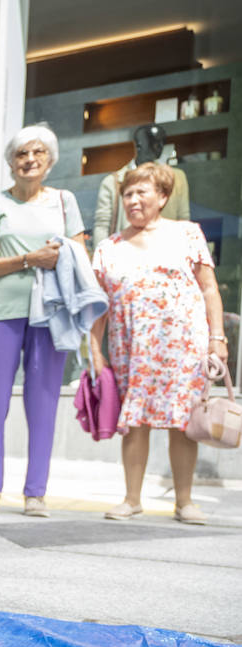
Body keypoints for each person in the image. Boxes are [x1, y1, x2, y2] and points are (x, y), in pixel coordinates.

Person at [90, 162, 228, 525]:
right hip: (132, 348)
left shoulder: (187, 233)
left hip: (183, 347)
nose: (133, 201)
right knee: (135, 422)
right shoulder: (108, 247)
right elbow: (98, 306)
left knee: (184, 422)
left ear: (163, 197)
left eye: (141, 193)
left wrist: (218, 338)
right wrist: (94, 349)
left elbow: (209, 287)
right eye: (128, 194)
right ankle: (131, 499)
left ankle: (185, 502)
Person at [0, 124, 85, 517]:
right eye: (21, 154)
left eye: (38, 153)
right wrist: (28, 259)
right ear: (11, 162)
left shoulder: (65, 202)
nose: (29, 160)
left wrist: (61, 253)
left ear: (49, 161)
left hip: (49, 315)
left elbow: (79, 257)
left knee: (44, 403)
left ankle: (36, 493)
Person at [92, 124, 189, 254]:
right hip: (125, 254)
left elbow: (183, 219)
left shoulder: (176, 178)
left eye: (162, 143)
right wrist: (101, 258)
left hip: (166, 254)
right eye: (154, 143)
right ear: (139, 145)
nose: (160, 148)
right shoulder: (113, 182)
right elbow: (102, 225)